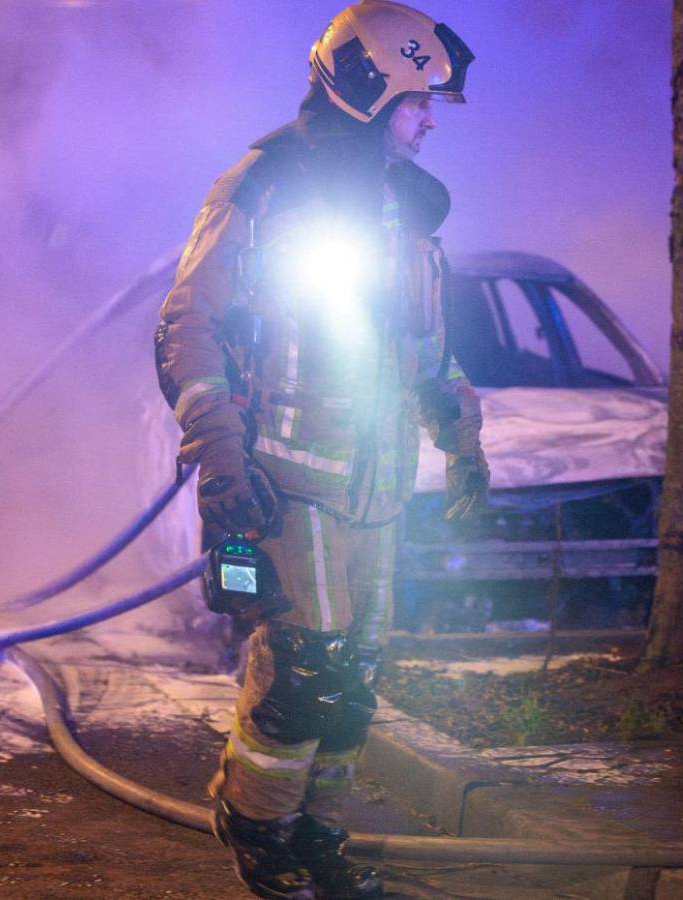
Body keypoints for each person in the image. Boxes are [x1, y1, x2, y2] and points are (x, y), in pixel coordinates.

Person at [154, 3, 486, 897]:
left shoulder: (404, 211)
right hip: (288, 485)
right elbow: (191, 322)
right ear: (367, 92)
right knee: (305, 674)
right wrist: (220, 455)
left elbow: (425, 346)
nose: (428, 121)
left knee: (353, 683)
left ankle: (317, 839)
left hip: (378, 491)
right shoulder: (264, 190)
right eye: (418, 103)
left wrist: (460, 436)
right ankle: (258, 829)